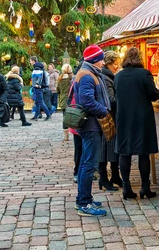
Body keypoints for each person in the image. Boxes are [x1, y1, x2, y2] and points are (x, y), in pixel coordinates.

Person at [114, 47, 159, 200]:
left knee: (125, 151)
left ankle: (126, 187)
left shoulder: (118, 76)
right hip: (142, 118)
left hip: (124, 117)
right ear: (139, 58)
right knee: (143, 152)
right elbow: (154, 95)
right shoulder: (144, 74)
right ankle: (145, 187)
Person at [74, 45, 111, 217]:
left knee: (85, 163)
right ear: (95, 60)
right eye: (101, 59)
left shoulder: (88, 73)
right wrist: (103, 110)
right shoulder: (88, 76)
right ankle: (85, 204)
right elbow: (86, 101)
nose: (104, 63)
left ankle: (83, 197)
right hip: (91, 125)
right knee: (89, 165)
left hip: (89, 125)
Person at [98, 51, 122, 191]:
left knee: (112, 148)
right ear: (108, 63)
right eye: (114, 63)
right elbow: (110, 100)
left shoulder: (108, 76)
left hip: (109, 117)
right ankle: (104, 178)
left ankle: (115, 176)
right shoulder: (106, 77)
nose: (117, 66)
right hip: (107, 118)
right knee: (105, 148)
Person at [57, 64, 73, 142]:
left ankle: (66, 136)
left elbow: (57, 90)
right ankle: (75, 134)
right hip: (72, 100)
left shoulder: (60, 79)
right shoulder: (73, 78)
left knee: (65, 118)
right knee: (74, 116)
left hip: (63, 100)